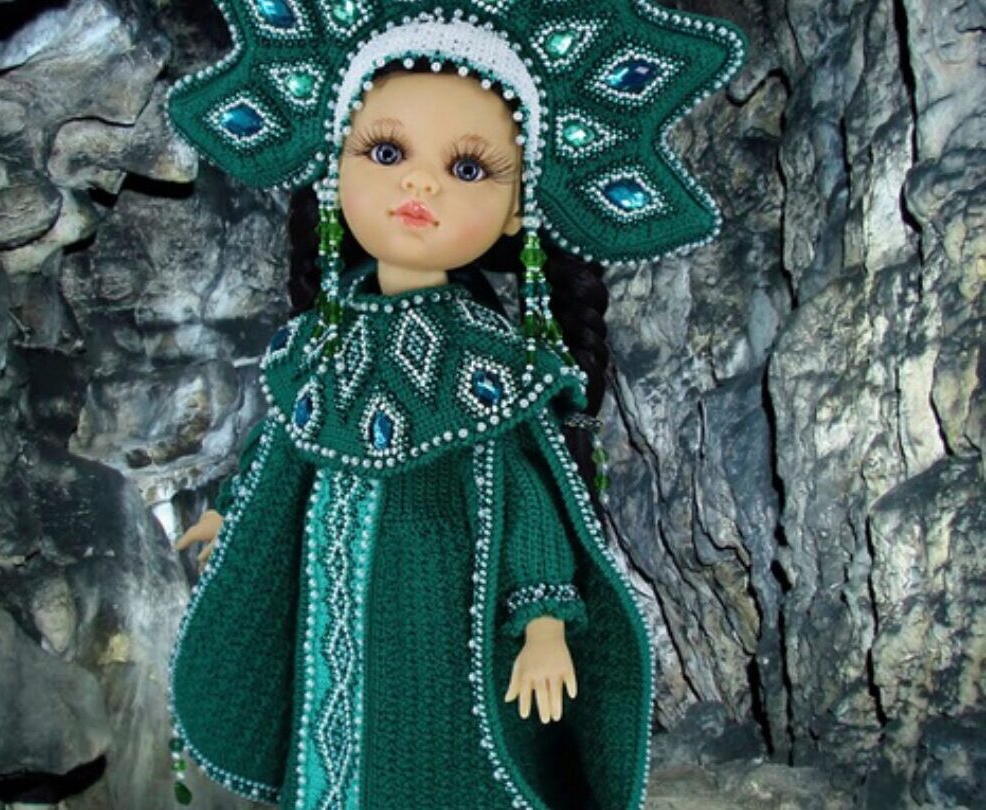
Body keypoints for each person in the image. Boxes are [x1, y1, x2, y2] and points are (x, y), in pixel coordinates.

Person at [165, 3, 747, 808]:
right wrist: (231, 514)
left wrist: (543, 620)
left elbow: (527, 498)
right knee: (332, 734)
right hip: (334, 599)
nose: (419, 183)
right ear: (333, 163)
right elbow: (285, 448)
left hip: (447, 609)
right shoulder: (321, 343)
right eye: (385, 152)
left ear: (517, 209)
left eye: (469, 168)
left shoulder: (490, 360)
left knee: (448, 755)